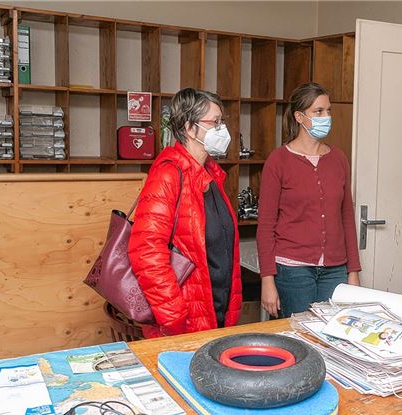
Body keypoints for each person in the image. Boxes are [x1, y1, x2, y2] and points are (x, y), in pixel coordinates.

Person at [129, 88, 242, 338]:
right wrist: (173, 315)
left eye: (222, 122)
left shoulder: (211, 174)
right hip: (185, 323)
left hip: (215, 314)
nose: (222, 130)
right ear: (190, 128)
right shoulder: (168, 174)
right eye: (214, 123)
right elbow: (146, 249)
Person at [256, 83, 361, 318]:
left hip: (335, 270)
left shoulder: (338, 159)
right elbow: (265, 226)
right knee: (299, 340)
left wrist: (353, 272)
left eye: (328, 111)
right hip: (292, 270)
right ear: (299, 117)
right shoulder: (278, 160)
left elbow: (346, 219)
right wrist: (267, 280)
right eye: (319, 111)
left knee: (334, 338)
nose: (326, 117)